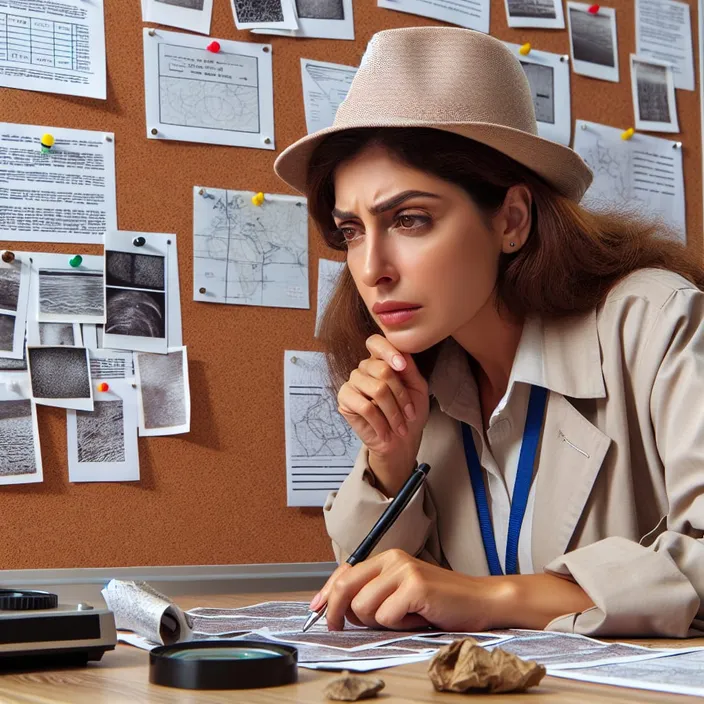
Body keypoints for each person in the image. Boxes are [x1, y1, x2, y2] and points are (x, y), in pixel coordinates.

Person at [273, 26, 704, 638]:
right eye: (352, 231)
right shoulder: (427, 376)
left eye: (410, 219)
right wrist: (390, 460)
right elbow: (384, 599)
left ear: (511, 220)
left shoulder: (657, 323)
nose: (372, 270)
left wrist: (488, 597)